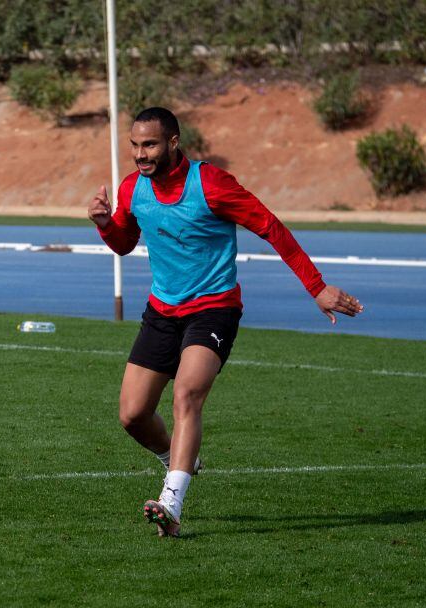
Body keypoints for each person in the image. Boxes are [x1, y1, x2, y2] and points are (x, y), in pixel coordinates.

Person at [87, 107, 364, 538]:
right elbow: (124, 243)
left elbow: (271, 226)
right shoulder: (133, 188)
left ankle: (171, 503)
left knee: (187, 394)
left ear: (174, 142)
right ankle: (177, 458)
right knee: (133, 414)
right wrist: (105, 223)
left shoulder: (211, 184)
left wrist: (317, 287)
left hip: (214, 307)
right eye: (135, 145)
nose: (141, 155)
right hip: (162, 311)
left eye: (150, 145)